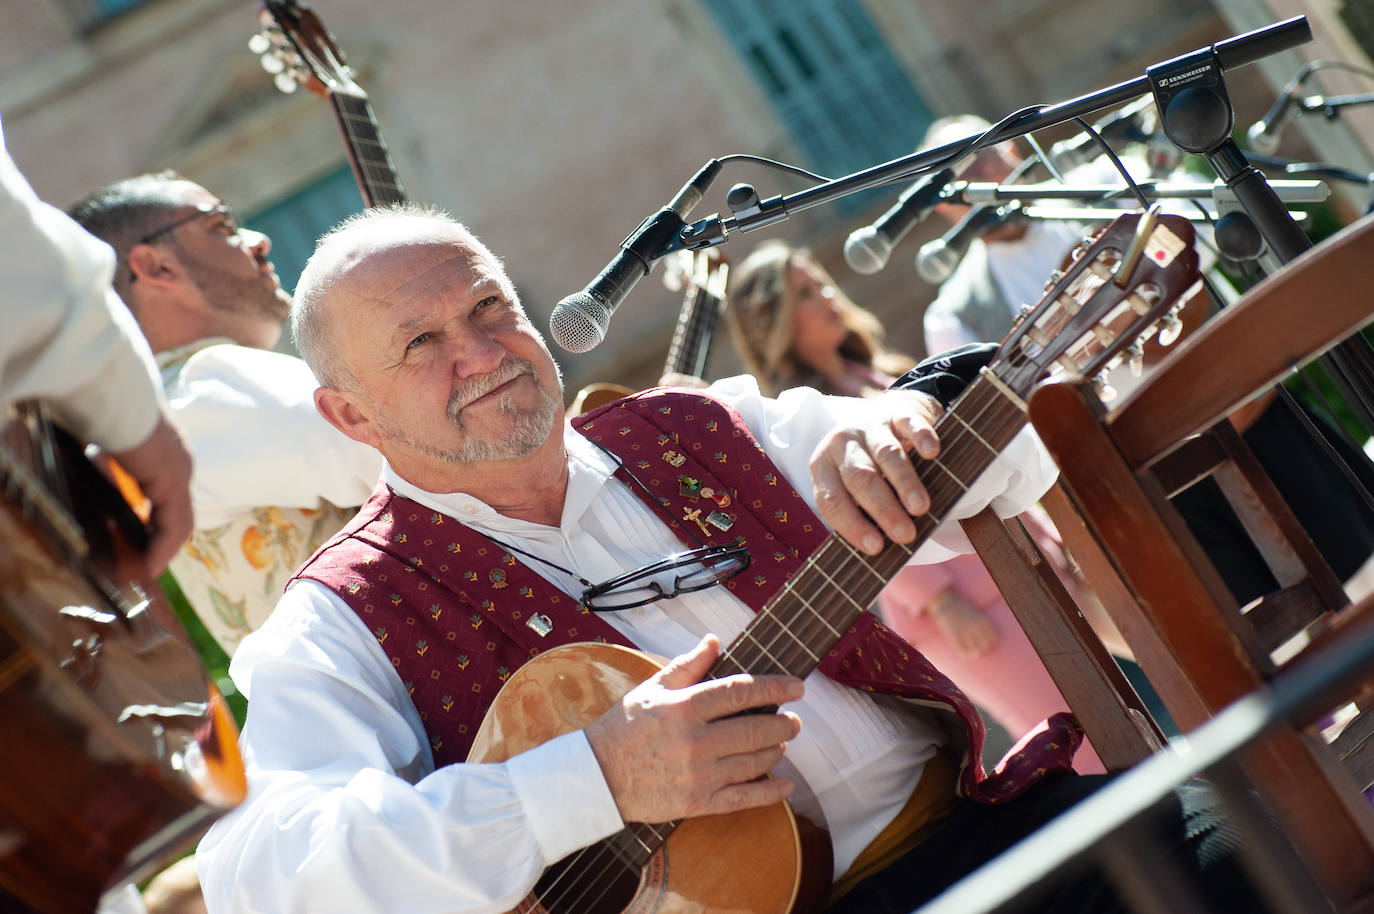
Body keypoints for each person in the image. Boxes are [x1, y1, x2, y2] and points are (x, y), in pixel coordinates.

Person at [196, 203, 1275, 914]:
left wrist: (896, 422)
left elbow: (1000, 472)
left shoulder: (700, 429)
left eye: (490, 309)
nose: (478, 354)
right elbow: (261, 873)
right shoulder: (343, 614)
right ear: (348, 412)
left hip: (990, 835)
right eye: (420, 343)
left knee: (1258, 852)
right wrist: (591, 779)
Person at [725, 239, 1105, 773]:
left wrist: (1045, 533)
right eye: (805, 294)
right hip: (966, 605)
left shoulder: (880, 372)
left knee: (1130, 697)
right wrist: (940, 602)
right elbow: (848, 516)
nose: (828, 296)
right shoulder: (795, 420)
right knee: (1081, 733)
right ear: (777, 323)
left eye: (821, 281)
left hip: (1021, 557)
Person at [69, 173, 382, 655]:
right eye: (220, 226)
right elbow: (429, 453)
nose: (258, 240)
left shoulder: (173, 407)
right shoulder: (209, 383)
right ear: (157, 266)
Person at [918, 114, 1092, 356]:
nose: (975, 185)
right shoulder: (951, 318)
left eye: (980, 162)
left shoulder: (1105, 186)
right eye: (957, 180)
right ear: (941, 205)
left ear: (1011, 151)